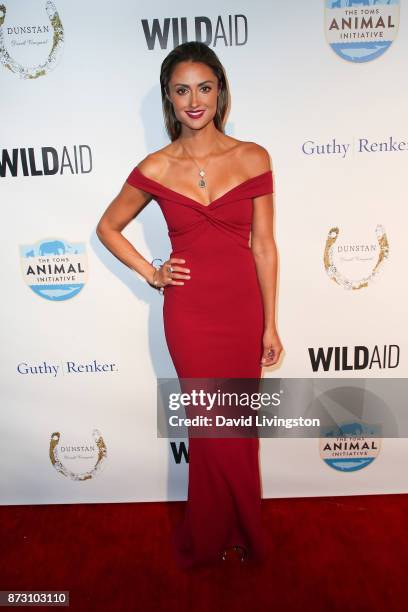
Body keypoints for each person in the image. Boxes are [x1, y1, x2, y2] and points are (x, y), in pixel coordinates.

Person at [96, 41, 283, 570]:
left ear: (220, 91)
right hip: (191, 314)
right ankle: (209, 534)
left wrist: (270, 323)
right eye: (182, 90)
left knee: (239, 428)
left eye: (204, 87)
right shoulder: (155, 167)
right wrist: (152, 272)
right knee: (208, 428)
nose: (194, 100)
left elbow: (264, 246)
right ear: (169, 99)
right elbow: (108, 227)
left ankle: (245, 528)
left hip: (242, 310)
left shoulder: (253, 156)